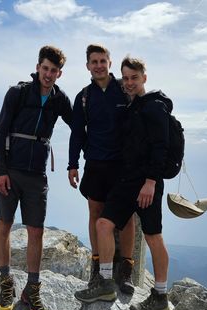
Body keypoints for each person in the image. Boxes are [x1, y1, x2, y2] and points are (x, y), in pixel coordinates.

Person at [75, 56, 170, 310]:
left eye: (134, 78)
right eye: (125, 77)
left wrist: (151, 182)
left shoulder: (154, 107)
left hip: (148, 184)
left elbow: (160, 148)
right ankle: (105, 282)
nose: (129, 82)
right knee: (104, 224)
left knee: (153, 236)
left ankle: (160, 295)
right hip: (127, 181)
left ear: (144, 78)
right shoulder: (133, 107)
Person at [0, 45, 72, 310]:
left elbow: (81, 127)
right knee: (4, 224)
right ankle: (6, 283)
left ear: (59, 73)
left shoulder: (60, 99)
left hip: (37, 174)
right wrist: (0, 169)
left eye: (54, 71)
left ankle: (32, 289)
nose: (48, 74)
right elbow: (0, 130)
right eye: (45, 68)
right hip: (10, 171)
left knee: (36, 231)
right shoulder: (18, 93)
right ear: (38, 67)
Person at [68, 44, 135, 294]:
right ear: (87, 65)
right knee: (95, 214)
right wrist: (72, 164)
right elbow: (77, 133)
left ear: (110, 63)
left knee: (127, 217)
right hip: (95, 164)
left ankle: (125, 270)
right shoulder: (84, 96)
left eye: (102, 61)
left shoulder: (124, 90)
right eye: (94, 61)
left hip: (123, 165)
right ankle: (98, 269)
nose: (98, 65)